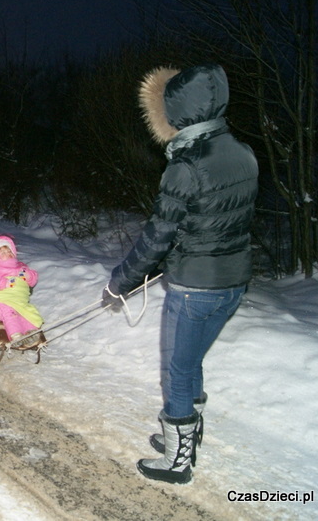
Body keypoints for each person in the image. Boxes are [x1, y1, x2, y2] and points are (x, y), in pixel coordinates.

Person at [103, 64, 259, 484]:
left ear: (179, 111)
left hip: (195, 287)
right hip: (233, 282)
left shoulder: (185, 165)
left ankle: (177, 461)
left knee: (177, 368)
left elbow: (157, 237)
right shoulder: (242, 152)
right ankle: (190, 433)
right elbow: (216, 221)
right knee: (191, 362)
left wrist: (120, 282)